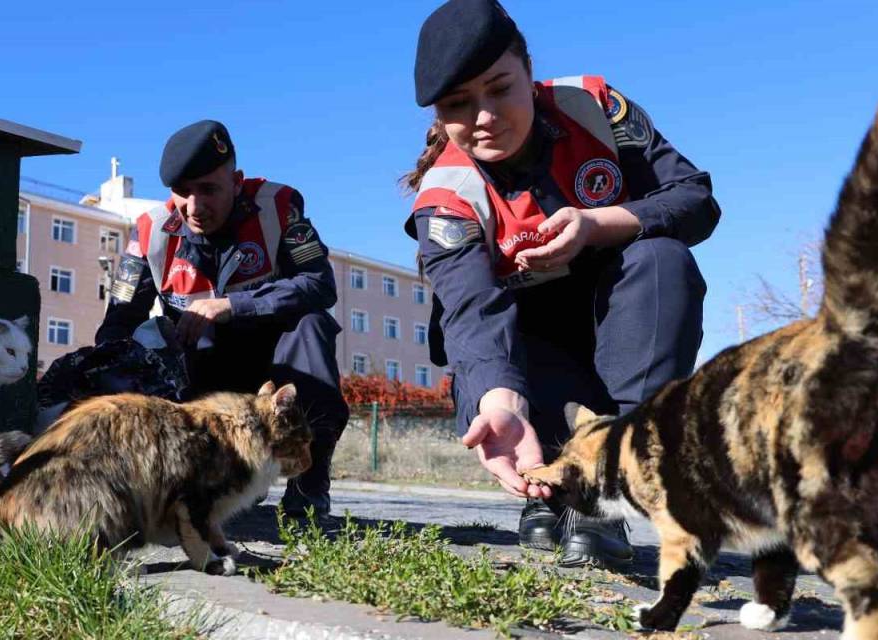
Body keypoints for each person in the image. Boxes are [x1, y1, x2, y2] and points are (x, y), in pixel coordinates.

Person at [405, 0, 719, 569]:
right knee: (521, 404)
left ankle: (609, 484)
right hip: (530, 348)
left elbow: (696, 199)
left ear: (529, 71)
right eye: (458, 105)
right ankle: (550, 490)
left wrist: (597, 223)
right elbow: (472, 313)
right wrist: (500, 402)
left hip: (626, 324)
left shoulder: (595, 109)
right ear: (438, 115)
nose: (483, 117)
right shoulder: (445, 199)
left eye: (499, 89)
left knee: (660, 258)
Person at [96, 119, 349, 517]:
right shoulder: (150, 231)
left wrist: (232, 305)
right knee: (146, 340)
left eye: (209, 189)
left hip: (276, 367)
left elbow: (320, 284)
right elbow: (118, 323)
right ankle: (177, 485)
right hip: (201, 371)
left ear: (236, 181)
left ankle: (309, 485)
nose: (194, 207)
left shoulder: (279, 207)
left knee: (312, 325)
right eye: (182, 192)